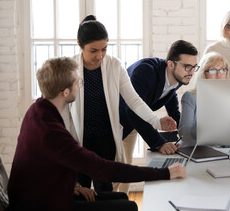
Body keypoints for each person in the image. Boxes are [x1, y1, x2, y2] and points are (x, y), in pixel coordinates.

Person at [7, 57, 186, 211]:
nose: (80, 85)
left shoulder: (39, 110)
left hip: (46, 192)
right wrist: (165, 173)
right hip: (40, 205)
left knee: (121, 200)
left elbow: (45, 167)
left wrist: (74, 187)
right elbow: (103, 168)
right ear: (66, 92)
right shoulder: (50, 131)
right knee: (128, 207)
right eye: (78, 82)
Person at [68, 15, 177, 192]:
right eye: (93, 50)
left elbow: (134, 101)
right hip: (80, 138)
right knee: (82, 190)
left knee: (105, 190)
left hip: (106, 138)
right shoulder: (70, 67)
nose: (99, 55)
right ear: (80, 44)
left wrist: (157, 121)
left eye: (104, 49)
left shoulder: (114, 65)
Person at [117, 40, 198, 192]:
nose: (191, 72)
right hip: (114, 122)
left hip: (133, 123)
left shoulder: (179, 77)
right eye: (187, 66)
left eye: (194, 67)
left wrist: (184, 132)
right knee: (115, 172)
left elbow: (170, 94)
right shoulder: (145, 71)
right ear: (171, 64)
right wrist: (158, 143)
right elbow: (132, 110)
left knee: (124, 172)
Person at [178, 52, 230, 147]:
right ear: (203, 73)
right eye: (213, 70)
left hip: (221, 152)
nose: (219, 75)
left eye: (222, 70)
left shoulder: (229, 98)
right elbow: (185, 133)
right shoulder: (191, 97)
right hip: (194, 150)